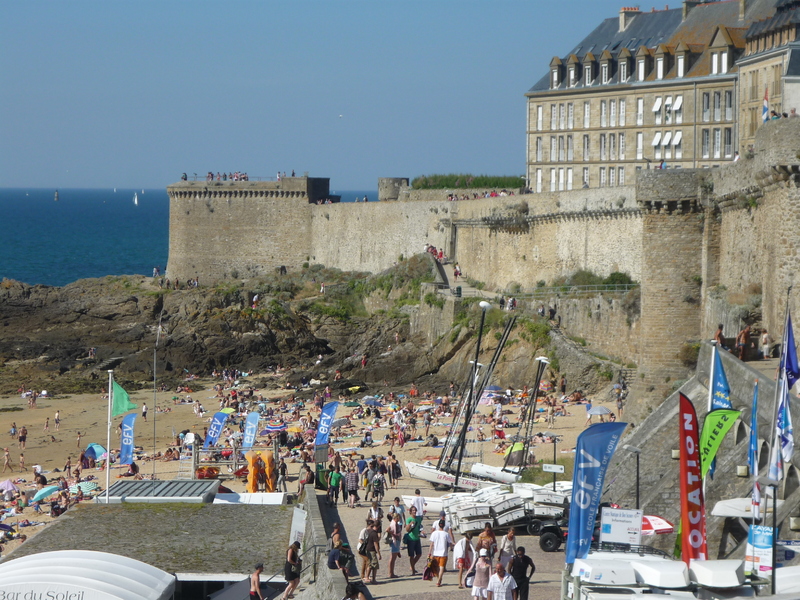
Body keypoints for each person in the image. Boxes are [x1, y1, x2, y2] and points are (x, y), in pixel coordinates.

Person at [428, 519, 451, 587]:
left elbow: (431, 544)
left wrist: (429, 552)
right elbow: (450, 542)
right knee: (442, 567)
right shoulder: (446, 534)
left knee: (437, 567)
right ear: (444, 525)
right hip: (443, 553)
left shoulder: (434, 533)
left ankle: (439, 579)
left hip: (436, 553)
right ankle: (439, 581)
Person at [406, 505, 423, 574]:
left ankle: (412, 566)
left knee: (419, 554)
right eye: (413, 510)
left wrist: (422, 532)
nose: (414, 511)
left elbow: (420, 526)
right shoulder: (409, 519)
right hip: (411, 539)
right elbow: (407, 530)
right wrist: (409, 524)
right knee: (411, 555)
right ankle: (413, 570)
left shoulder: (418, 518)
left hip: (417, 538)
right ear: (410, 512)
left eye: (415, 510)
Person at [387, 511, 402, 578]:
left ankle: (391, 572)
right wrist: (394, 535)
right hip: (394, 541)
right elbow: (388, 530)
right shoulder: (394, 524)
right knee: (392, 558)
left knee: (393, 558)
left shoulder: (394, 523)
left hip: (396, 541)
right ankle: (391, 573)